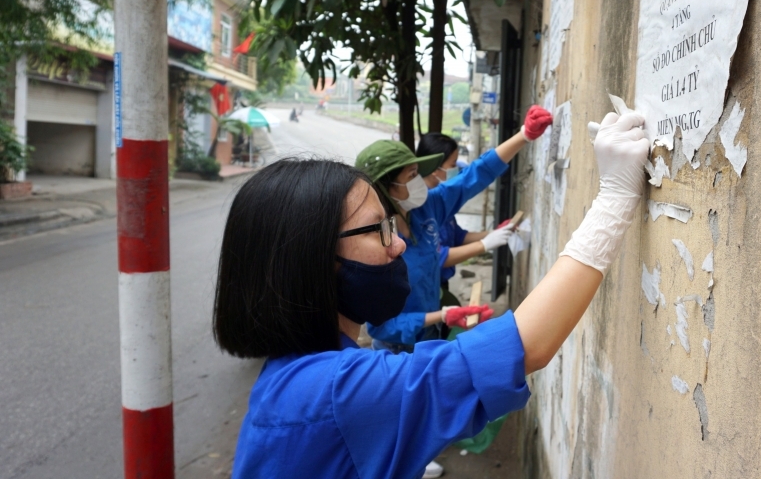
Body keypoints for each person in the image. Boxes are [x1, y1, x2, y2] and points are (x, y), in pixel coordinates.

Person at [213, 111, 649, 478]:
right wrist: (614, 198)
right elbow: (525, 345)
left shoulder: (294, 376)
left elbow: (469, 181)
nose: (398, 243)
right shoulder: (338, 392)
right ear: (313, 257)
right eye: (379, 229)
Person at [355, 106, 553, 353]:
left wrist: (524, 135)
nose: (420, 182)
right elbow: (381, 327)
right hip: (397, 351)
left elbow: (473, 176)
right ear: (386, 187)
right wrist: (441, 315)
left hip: (431, 337)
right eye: (412, 175)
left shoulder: (426, 208)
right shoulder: (374, 245)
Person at [415, 132, 507, 311]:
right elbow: (437, 256)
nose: (457, 168)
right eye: (452, 164)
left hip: (438, 284)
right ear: (434, 167)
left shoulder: (441, 203)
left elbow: (457, 236)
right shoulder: (423, 205)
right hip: (425, 289)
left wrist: (493, 234)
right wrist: (484, 244)